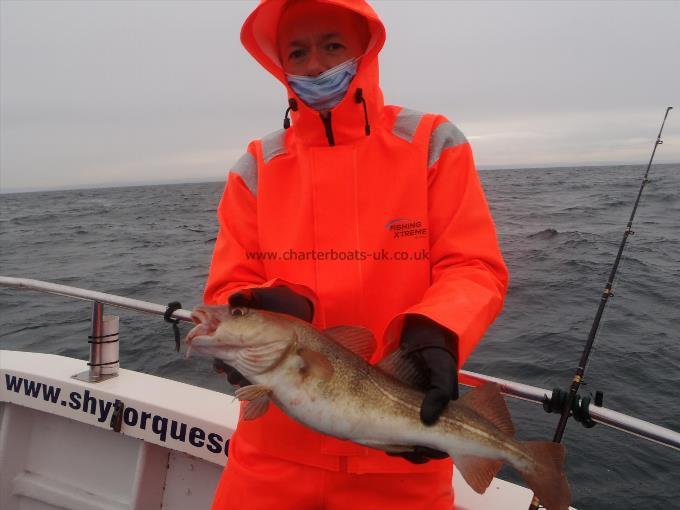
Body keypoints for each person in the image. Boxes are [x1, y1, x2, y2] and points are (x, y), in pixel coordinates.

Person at [203, 0, 509, 508]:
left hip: (402, 447)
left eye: (332, 45)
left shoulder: (431, 141)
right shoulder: (256, 166)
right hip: (272, 451)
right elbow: (226, 287)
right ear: (279, 65)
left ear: (365, 50)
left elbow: (472, 266)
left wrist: (437, 328)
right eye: (297, 51)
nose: (315, 64)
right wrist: (267, 302)